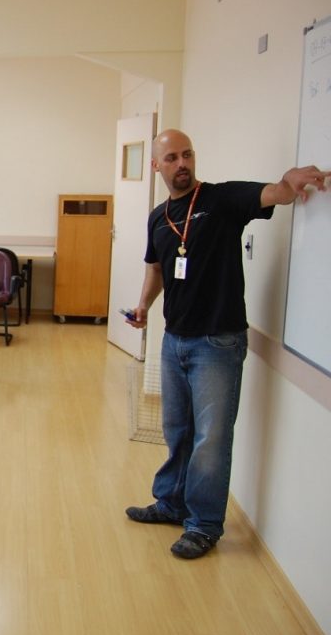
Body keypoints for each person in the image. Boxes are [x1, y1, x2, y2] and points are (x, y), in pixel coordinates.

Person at [124, 129, 329, 560]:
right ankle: (172, 503)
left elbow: (275, 194)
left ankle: (204, 525)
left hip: (217, 343)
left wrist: (289, 183)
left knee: (211, 439)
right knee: (177, 431)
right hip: (174, 339)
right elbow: (157, 268)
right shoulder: (159, 217)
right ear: (156, 166)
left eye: (187, 154)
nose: (182, 163)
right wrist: (143, 306)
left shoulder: (221, 200)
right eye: (172, 158)